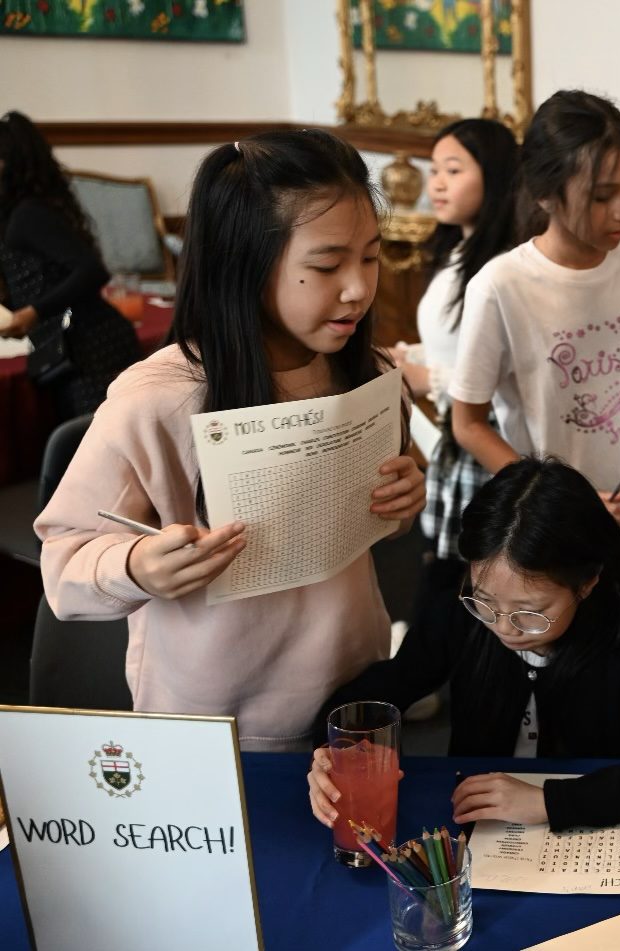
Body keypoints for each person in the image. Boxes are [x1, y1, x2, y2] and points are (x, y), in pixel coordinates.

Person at [34, 130, 426, 750]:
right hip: (212, 723)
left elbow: (395, 509)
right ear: (245, 264)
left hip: (352, 697)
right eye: (326, 265)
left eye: (371, 257)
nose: (358, 287)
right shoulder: (157, 399)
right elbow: (65, 564)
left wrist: (407, 497)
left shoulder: (370, 375)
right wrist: (138, 566)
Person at [307, 458, 620, 830]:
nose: (504, 627)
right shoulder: (457, 610)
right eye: (484, 603)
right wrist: (331, 748)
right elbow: (382, 691)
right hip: (479, 826)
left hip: (583, 830)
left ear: (588, 582)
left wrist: (550, 802)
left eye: (530, 612)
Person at [448, 91, 620, 524]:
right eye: (602, 197)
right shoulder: (501, 285)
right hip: (559, 519)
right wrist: (549, 496)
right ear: (544, 194)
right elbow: (467, 424)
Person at [392, 118, 520, 678]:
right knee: (447, 563)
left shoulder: (500, 265)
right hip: (451, 433)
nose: (436, 184)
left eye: (453, 170)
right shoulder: (455, 250)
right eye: (433, 171)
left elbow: (491, 367)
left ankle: (428, 672)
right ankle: (430, 667)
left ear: (492, 178)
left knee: (471, 566)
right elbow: (453, 342)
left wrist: (425, 376)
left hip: (482, 432)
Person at [0, 110, 140, 418]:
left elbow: (92, 270)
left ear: (10, 165)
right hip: (76, 347)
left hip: (92, 347)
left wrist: (33, 312)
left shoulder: (28, 215)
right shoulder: (20, 212)